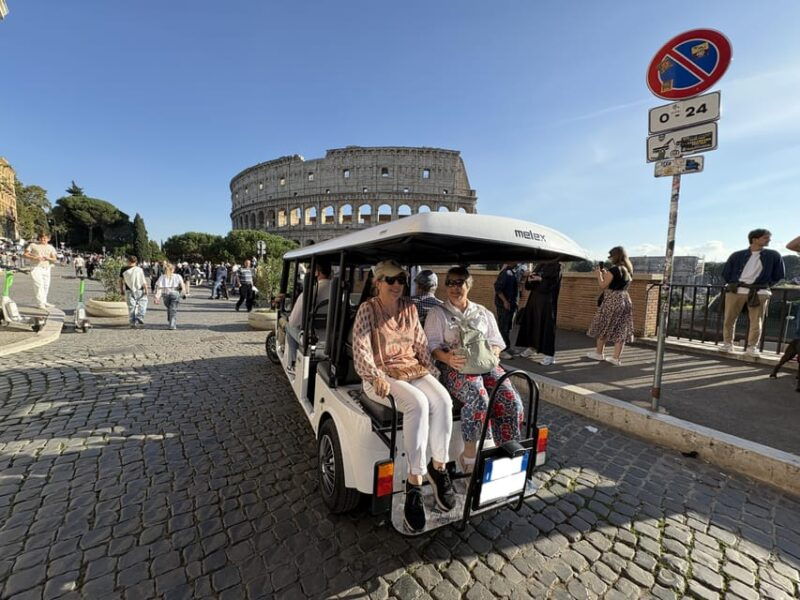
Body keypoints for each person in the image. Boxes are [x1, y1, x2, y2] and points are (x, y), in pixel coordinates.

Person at [353, 260, 455, 533]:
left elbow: (421, 344)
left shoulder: (410, 308)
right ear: (378, 282)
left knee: (443, 399)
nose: (397, 285)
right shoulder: (368, 310)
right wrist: (375, 377)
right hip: (381, 373)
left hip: (411, 369)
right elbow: (361, 350)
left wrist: (433, 374)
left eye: (400, 279)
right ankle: (415, 480)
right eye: (390, 280)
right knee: (418, 404)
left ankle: (439, 466)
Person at [425, 266, 524, 475]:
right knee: (478, 397)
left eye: (459, 282)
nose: (454, 287)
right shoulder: (437, 313)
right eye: (450, 282)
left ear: (468, 285)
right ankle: (469, 454)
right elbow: (431, 346)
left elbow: (497, 341)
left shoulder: (482, 312)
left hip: (485, 364)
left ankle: (507, 452)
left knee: (510, 399)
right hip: (456, 365)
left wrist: (494, 354)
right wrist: (447, 358)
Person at [721, 229, 786, 355]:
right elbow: (726, 273)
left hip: (759, 292)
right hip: (736, 291)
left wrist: (764, 286)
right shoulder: (737, 255)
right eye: (765, 238)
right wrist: (734, 284)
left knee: (756, 321)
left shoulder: (773, 255)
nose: (769, 240)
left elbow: (779, 275)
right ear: (754, 239)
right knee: (729, 319)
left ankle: (752, 347)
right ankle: (727, 344)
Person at [587, 247, 635, 366]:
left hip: (612, 300)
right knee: (621, 329)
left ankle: (599, 353)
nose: (610, 258)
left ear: (616, 256)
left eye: (611, 256)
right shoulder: (628, 270)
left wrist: (599, 275)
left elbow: (603, 285)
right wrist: (605, 274)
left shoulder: (613, 270)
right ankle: (616, 358)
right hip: (625, 300)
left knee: (604, 324)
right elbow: (616, 282)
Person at [285, 261, 332, 370]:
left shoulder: (309, 293)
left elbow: (294, 321)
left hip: (313, 336)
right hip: (332, 335)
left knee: (288, 326)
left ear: (317, 273)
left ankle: (293, 363)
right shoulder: (340, 293)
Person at [516, 260, 562, 365]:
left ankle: (549, 356)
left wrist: (540, 279)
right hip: (534, 300)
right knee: (532, 324)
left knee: (546, 327)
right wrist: (530, 279)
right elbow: (529, 286)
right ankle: (531, 347)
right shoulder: (540, 265)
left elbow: (552, 286)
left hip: (547, 302)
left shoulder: (557, 267)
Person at [23, 232, 58, 310]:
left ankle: (44, 301)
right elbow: (25, 254)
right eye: (42, 238)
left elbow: (54, 259)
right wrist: (35, 258)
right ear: (39, 238)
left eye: (45, 238)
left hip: (47, 268)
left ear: (49, 239)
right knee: (39, 285)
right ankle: (40, 303)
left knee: (46, 286)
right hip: (36, 268)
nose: (43, 239)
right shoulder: (33, 245)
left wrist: (48, 258)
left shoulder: (51, 247)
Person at [493, 262, 519, 359]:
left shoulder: (512, 272)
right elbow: (497, 288)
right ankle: (501, 350)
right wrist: (505, 301)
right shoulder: (506, 273)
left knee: (507, 327)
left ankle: (507, 347)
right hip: (504, 305)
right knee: (503, 327)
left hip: (511, 305)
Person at [154, 262, 189, 330]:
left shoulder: (162, 277)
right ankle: (172, 324)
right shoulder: (178, 276)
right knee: (173, 309)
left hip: (166, 294)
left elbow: (159, 288)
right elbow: (183, 286)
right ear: (173, 269)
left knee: (170, 309)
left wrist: (157, 297)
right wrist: (183, 293)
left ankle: (171, 322)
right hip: (175, 293)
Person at [119, 255, 149, 328]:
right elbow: (143, 281)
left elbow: (120, 281)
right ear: (136, 262)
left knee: (131, 307)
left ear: (128, 261)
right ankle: (140, 316)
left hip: (128, 289)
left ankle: (132, 322)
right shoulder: (139, 269)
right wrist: (146, 289)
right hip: (140, 289)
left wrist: (121, 290)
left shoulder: (123, 269)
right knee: (143, 304)